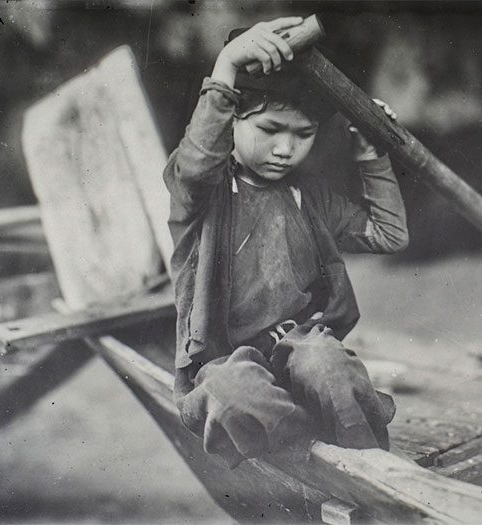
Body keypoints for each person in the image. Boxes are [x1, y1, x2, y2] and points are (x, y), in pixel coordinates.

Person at [164, 16, 409, 468]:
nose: (285, 148)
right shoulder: (202, 193)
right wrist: (226, 67)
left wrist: (372, 153)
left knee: (332, 368)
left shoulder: (307, 195)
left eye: (303, 134)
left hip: (300, 347)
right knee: (235, 395)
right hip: (225, 360)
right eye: (270, 129)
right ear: (232, 121)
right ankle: (311, 457)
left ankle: (371, 467)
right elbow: (198, 164)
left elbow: (388, 234)